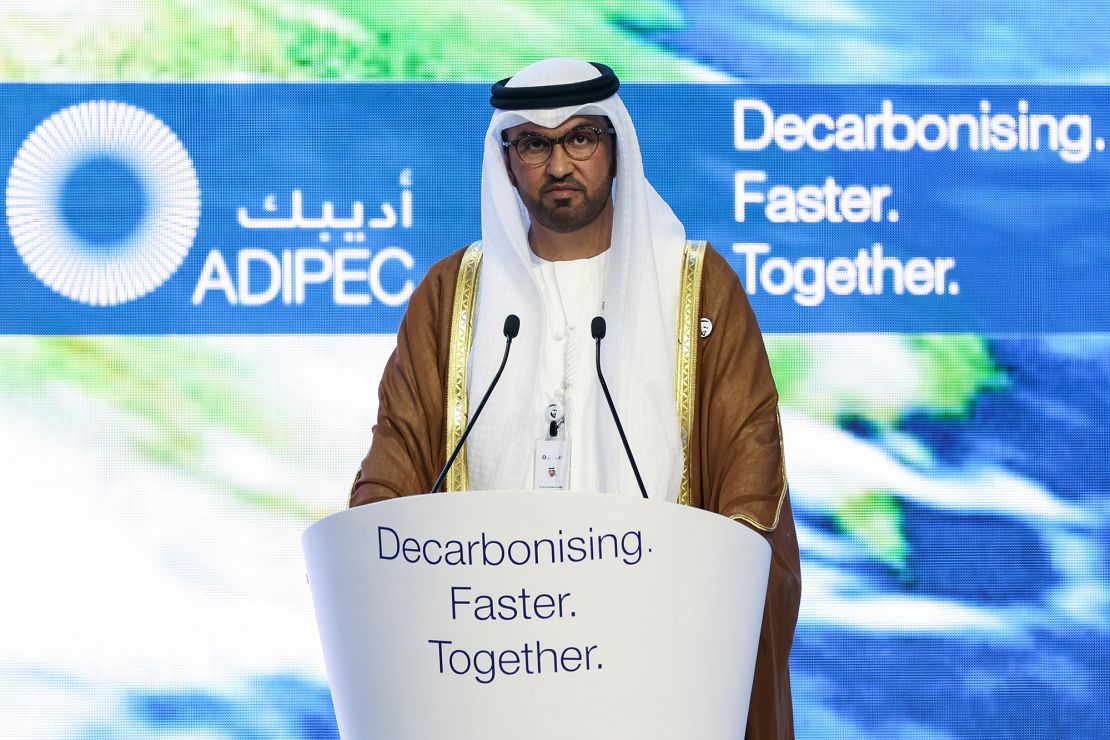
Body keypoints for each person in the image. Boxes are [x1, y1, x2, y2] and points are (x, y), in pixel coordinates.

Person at [349, 58, 800, 739]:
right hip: (495, 663)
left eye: (580, 138)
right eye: (533, 142)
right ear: (507, 159)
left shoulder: (696, 288)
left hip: (655, 662)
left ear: (615, 147)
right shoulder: (453, 296)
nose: (558, 164)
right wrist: (371, 549)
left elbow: (748, 457)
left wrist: (713, 590)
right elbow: (399, 453)